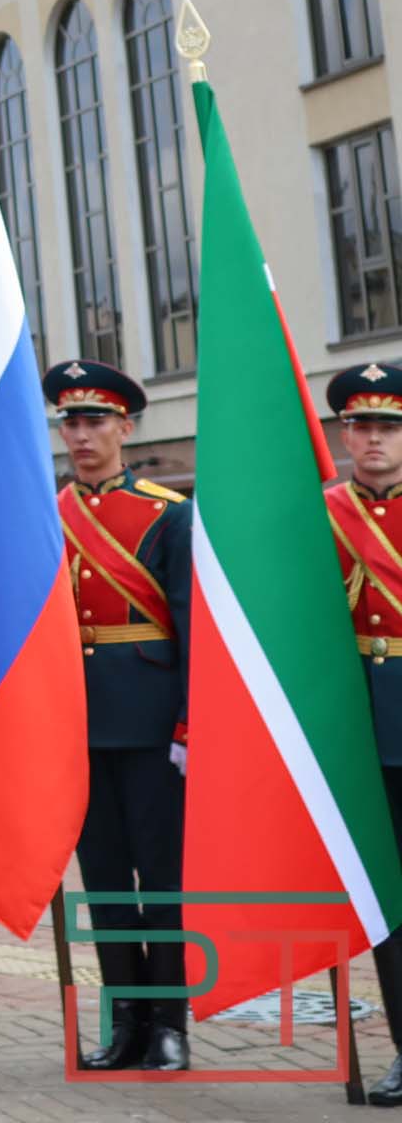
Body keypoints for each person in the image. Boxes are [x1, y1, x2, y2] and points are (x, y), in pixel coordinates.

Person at [51, 358, 191, 1073]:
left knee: (162, 879)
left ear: (126, 428)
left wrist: (191, 722)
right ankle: (125, 1021)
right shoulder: (47, 516)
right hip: (75, 724)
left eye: (94, 421)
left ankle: (170, 1022)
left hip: (149, 721)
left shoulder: (169, 514)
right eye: (70, 422)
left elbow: (193, 626)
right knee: (103, 879)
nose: (80, 435)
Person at [324, 362, 402, 1105]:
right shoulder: (322, 513)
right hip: (357, 733)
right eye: (360, 425)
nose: (373, 439)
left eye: (387, 425)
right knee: (384, 902)